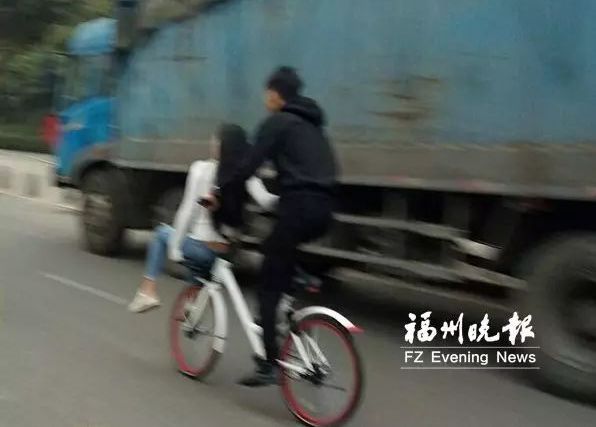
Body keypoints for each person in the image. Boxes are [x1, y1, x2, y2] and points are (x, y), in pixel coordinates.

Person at [213, 66, 338, 386]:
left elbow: (248, 166)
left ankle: (269, 363)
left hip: (298, 208)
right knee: (279, 252)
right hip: (324, 211)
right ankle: (298, 279)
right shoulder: (314, 126)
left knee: (267, 284)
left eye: (266, 93)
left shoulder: (277, 122)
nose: (265, 98)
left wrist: (223, 190)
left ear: (274, 94)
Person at [128, 124, 278, 313]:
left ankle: (147, 291)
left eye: (215, 141)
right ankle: (192, 304)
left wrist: (175, 247)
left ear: (222, 145)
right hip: (227, 253)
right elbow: (266, 201)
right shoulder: (247, 175)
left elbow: (187, 210)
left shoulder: (201, 170)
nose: (212, 144)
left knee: (161, 234)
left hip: (201, 250)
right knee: (199, 265)